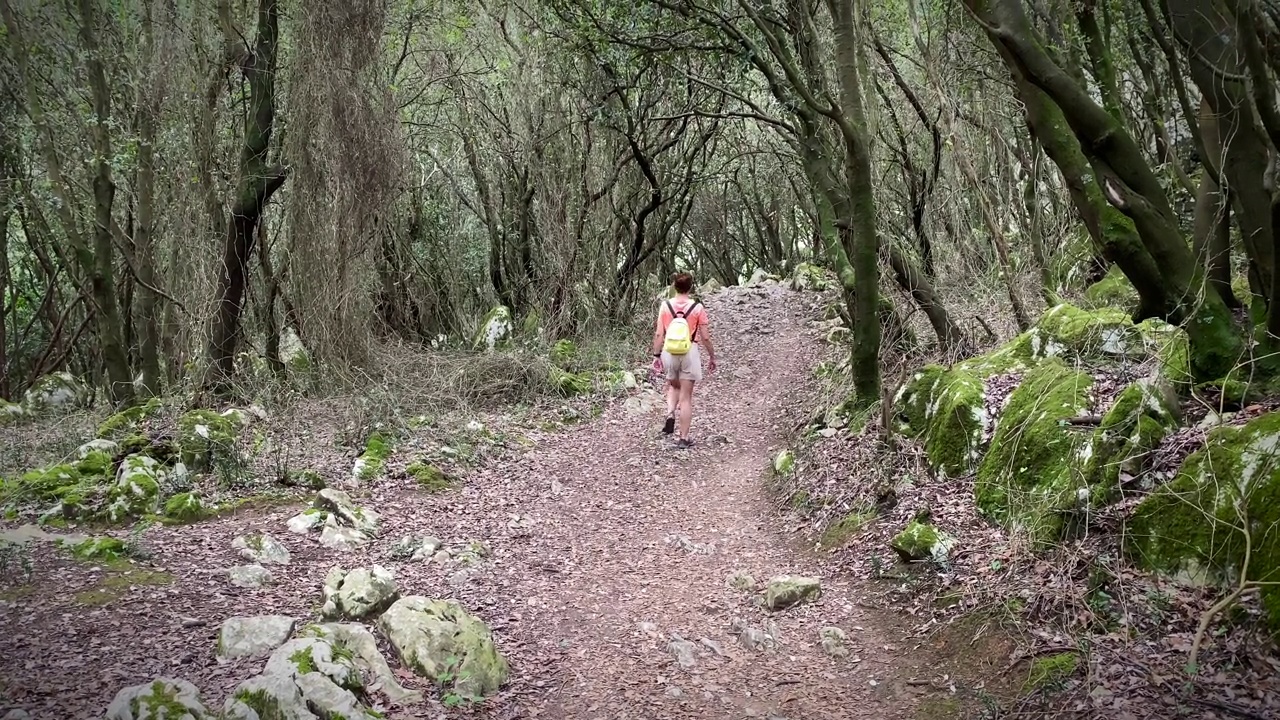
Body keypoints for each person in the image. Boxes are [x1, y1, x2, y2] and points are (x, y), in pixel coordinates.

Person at [650, 272, 716, 448]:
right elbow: (705, 337)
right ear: (691, 287)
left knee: (673, 385)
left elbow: (658, 334)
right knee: (686, 397)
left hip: (669, 352)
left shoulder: (665, 306)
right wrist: (711, 356)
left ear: (674, 286)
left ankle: (670, 412)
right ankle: (683, 438)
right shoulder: (697, 308)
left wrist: (656, 356)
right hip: (689, 352)